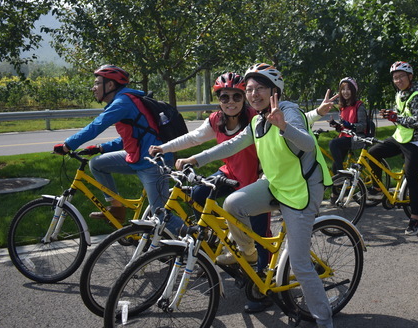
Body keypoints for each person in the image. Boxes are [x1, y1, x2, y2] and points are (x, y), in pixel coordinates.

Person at [175, 63, 335, 328]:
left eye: (260, 88)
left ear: (275, 90)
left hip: (301, 190)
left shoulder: (287, 111)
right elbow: (231, 144)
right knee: (233, 203)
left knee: (301, 264)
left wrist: (284, 126)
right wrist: (195, 158)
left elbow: (307, 143)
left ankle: (324, 320)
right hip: (276, 184)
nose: (253, 93)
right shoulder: (259, 120)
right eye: (249, 89)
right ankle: (248, 253)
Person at [148, 72, 275, 313]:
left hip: (255, 179)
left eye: (237, 96)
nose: (230, 101)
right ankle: (223, 235)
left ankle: (262, 287)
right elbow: (193, 138)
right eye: (224, 96)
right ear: (218, 99)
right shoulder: (216, 120)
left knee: (261, 234)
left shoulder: (256, 119)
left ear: (244, 98)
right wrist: (163, 148)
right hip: (229, 172)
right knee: (197, 194)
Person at [53, 65, 171, 222]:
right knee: (97, 164)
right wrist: (102, 148)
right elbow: (134, 137)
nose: (93, 88)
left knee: (162, 219)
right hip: (139, 155)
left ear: (110, 85)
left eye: (97, 83)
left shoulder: (123, 102)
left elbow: (96, 126)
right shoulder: (125, 100)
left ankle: (194, 242)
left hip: (153, 163)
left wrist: (67, 145)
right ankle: (116, 208)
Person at [373, 61, 418, 236]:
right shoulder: (401, 93)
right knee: (373, 153)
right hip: (400, 138)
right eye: (395, 78)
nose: (398, 81)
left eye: (401, 77)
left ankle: (415, 218)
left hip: (416, 141)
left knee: (410, 175)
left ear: (410, 77)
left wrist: (395, 118)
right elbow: (402, 114)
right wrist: (391, 114)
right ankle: (377, 188)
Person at [328, 77, 368, 174]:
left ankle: (342, 174)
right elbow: (343, 128)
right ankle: (339, 184)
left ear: (353, 91)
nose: (345, 92)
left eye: (348, 89)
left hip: (357, 138)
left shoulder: (359, 106)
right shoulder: (342, 107)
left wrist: (350, 125)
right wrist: (337, 126)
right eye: (343, 89)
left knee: (333, 143)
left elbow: (363, 125)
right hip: (346, 137)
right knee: (334, 168)